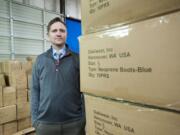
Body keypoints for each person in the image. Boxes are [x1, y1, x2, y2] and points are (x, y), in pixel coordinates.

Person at [31, 17, 85, 135]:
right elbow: (35, 90)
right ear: (48, 35)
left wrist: (83, 119)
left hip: (74, 124)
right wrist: (35, 121)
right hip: (45, 125)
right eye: (54, 31)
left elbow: (85, 91)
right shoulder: (40, 60)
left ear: (66, 34)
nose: (58, 33)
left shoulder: (78, 59)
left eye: (62, 30)